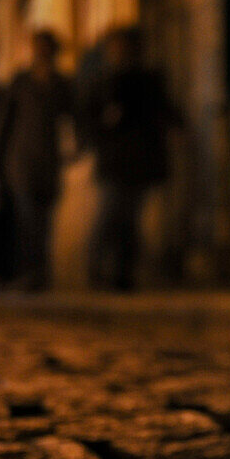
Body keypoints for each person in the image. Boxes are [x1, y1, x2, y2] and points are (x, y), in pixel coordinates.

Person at [82, 27, 175, 290]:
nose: (119, 52)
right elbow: (88, 119)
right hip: (113, 160)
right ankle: (96, 270)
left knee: (129, 221)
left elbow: (161, 110)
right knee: (109, 216)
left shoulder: (147, 79)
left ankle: (123, 274)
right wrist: (102, 127)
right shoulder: (102, 81)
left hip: (140, 160)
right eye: (115, 47)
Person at [0, 31, 73, 290]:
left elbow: (72, 119)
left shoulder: (61, 84)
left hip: (49, 161)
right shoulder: (20, 82)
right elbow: (2, 123)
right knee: (26, 218)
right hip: (21, 160)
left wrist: (76, 146)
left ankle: (41, 274)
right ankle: (27, 272)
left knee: (44, 220)